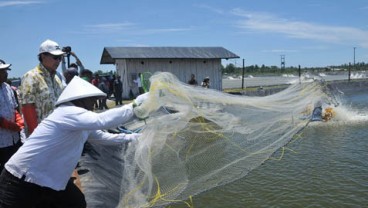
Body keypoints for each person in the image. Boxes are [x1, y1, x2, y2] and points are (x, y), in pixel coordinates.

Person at [0, 76, 149, 207]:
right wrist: (134, 105)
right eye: (91, 100)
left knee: (75, 202)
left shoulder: (80, 122)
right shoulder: (67, 112)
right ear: (80, 99)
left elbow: (104, 138)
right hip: (20, 180)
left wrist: (137, 137)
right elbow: (102, 120)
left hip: (47, 179)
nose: (93, 104)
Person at [20, 39, 65, 136]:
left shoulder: (57, 77)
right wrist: (37, 136)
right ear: (43, 56)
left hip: (59, 132)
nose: (58, 61)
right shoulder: (31, 77)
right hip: (42, 136)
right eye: (55, 57)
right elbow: (28, 108)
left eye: (60, 58)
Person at [0, 59, 24, 173]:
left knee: (13, 169)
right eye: (2, 71)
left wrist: (18, 120)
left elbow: (14, 108)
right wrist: (8, 125)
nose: (6, 73)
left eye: (5, 70)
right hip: (1, 141)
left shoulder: (7, 87)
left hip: (14, 139)